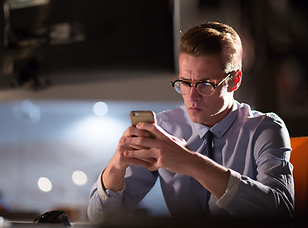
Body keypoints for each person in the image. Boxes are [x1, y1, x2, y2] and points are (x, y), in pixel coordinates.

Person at [87, 22, 294, 220]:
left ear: (234, 81)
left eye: (205, 84)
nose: (192, 97)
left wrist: (190, 162)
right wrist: (117, 164)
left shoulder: (265, 129)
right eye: (185, 83)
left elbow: (282, 211)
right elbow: (99, 217)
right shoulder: (164, 128)